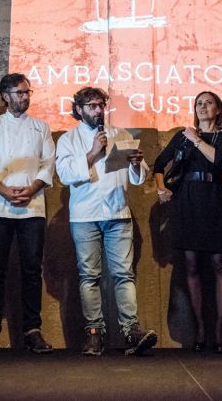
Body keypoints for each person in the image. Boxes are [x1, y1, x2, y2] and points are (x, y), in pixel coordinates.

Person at [56, 87, 157, 356]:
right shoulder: (68, 139)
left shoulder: (120, 135)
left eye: (101, 105)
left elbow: (137, 178)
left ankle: (131, 332)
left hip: (118, 214)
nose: (98, 110)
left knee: (124, 275)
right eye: (91, 106)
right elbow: (65, 175)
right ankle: (94, 333)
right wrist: (92, 153)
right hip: (85, 216)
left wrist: (137, 164)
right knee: (89, 276)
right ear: (78, 109)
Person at [0, 73, 55, 354]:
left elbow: (48, 164)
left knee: (32, 270)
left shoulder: (40, 127)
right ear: (5, 96)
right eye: (20, 92)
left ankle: (32, 330)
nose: (25, 97)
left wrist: (31, 189)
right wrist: (4, 190)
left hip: (32, 207)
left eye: (27, 92)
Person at [153, 91, 222, 353]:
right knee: (190, 265)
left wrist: (197, 140)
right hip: (187, 200)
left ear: (218, 110)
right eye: (198, 103)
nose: (202, 107)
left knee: (219, 262)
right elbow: (159, 163)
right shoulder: (182, 136)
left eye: (208, 103)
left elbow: (218, 160)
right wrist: (160, 188)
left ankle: (220, 326)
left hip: (214, 199)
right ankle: (200, 327)